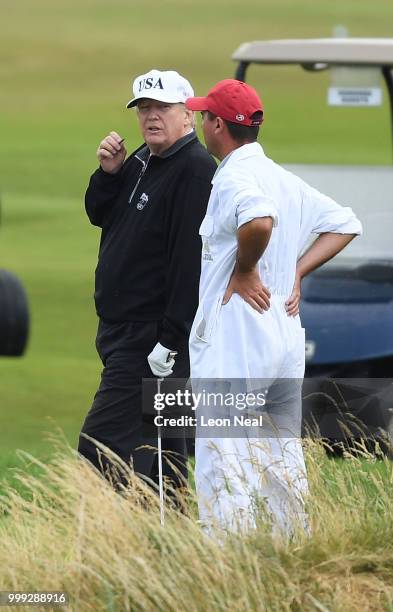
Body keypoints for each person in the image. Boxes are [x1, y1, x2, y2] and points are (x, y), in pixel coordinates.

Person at [185, 79, 362, 536]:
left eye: (205, 116)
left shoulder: (235, 176)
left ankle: (226, 566)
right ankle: (293, 550)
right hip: (283, 336)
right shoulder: (284, 178)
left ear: (218, 125)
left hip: (237, 339)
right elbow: (345, 224)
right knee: (281, 453)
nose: (203, 121)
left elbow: (259, 220)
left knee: (225, 454)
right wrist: (296, 271)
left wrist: (245, 269)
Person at [78, 69, 216, 494]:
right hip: (122, 330)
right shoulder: (142, 157)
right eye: (144, 108)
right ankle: (166, 545)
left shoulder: (193, 169)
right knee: (162, 450)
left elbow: (188, 264)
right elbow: (100, 215)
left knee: (99, 445)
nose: (151, 117)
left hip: (151, 338)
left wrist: (171, 342)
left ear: (187, 115)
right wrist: (108, 174)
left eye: (162, 108)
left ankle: (114, 537)